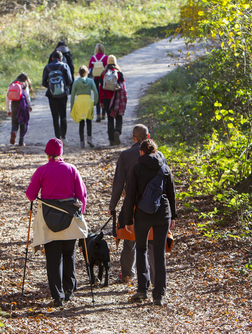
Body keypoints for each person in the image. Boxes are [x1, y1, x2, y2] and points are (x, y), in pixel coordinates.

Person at [26, 138, 88, 307]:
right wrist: (80, 214)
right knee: (69, 254)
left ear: (47, 154)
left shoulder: (41, 171)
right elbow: (82, 195)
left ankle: (57, 296)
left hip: (49, 221)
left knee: (53, 258)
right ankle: (69, 290)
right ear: (62, 153)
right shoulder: (71, 169)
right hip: (69, 220)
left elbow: (31, 196)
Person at [125, 139, 177, 306]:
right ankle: (159, 294)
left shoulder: (137, 169)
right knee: (159, 254)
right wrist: (173, 217)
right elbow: (171, 193)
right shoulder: (164, 167)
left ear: (141, 152)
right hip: (163, 213)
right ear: (155, 151)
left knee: (141, 249)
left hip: (143, 214)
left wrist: (127, 219)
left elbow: (130, 195)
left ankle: (142, 290)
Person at [108, 124, 150, 283]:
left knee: (129, 240)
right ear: (148, 137)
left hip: (132, 203)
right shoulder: (157, 155)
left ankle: (127, 274)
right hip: (152, 205)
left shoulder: (125, 155)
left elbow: (118, 184)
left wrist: (112, 206)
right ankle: (149, 275)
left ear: (133, 138)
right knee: (150, 241)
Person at [42, 51, 73, 141]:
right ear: (61, 58)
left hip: (52, 95)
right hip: (63, 95)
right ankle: (64, 136)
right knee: (63, 115)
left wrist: (52, 87)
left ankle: (57, 137)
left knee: (55, 116)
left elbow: (44, 82)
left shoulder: (47, 67)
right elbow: (70, 80)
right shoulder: (64, 66)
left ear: (52, 58)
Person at [99, 55, 126, 146]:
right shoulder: (119, 74)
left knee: (110, 119)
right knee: (119, 116)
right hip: (116, 99)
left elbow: (100, 88)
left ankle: (111, 140)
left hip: (107, 99)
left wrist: (101, 101)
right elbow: (123, 88)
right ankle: (117, 131)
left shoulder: (103, 74)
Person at [70, 66, 98, 148]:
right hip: (88, 102)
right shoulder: (90, 81)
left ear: (78, 73)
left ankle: (81, 141)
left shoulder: (75, 82)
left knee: (81, 122)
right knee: (89, 121)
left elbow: (72, 96)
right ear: (87, 72)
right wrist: (95, 102)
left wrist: (72, 107)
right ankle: (89, 138)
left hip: (79, 102)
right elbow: (96, 92)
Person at [6, 73, 34, 146]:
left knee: (14, 122)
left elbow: (7, 98)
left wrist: (8, 110)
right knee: (23, 123)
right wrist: (29, 106)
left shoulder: (12, 84)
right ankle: (21, 142)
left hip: (14, 105)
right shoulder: (24, 85)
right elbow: (27, 96)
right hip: (22, 105)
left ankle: (13, 132)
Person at [88, 43, 108, 122]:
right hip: (104, 78)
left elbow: (89, 69)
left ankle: (98, 114)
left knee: (97, 95)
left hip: (95, 78)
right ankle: (104, 113)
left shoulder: (93, 58)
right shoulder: (106, 57)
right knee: (104, 94)